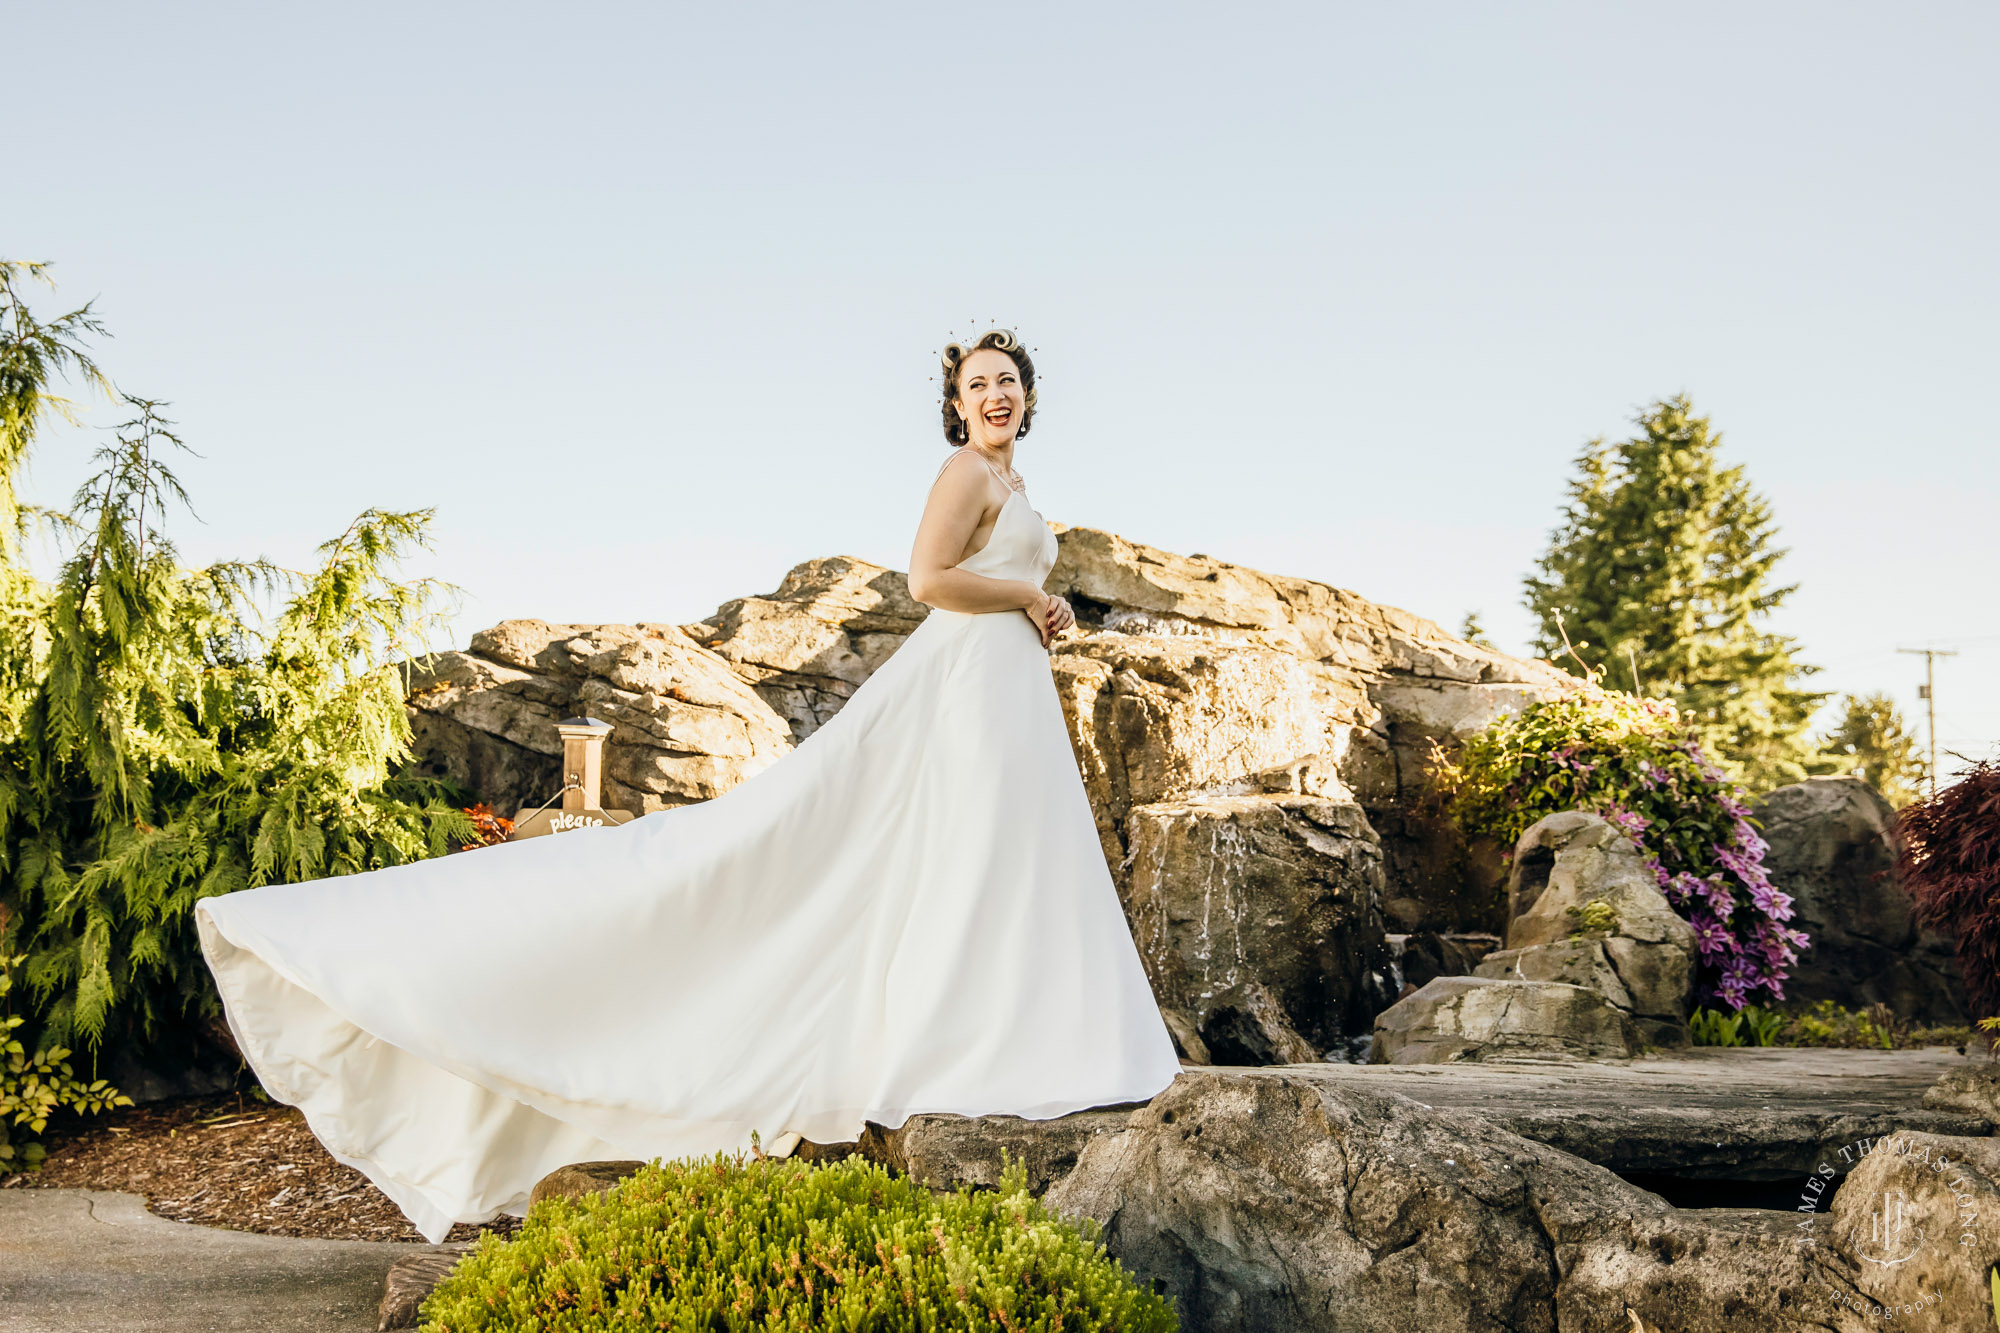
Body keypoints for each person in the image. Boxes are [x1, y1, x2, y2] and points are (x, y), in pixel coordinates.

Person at [194, 329, 1182, 1243]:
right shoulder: (963, 469)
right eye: (977, 384)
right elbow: (926, 579)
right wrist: (1024, 593)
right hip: (964, 684)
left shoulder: (1013, 482)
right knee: (945, 852)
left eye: (1007, 381)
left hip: (1004, 684)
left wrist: (1035, 611)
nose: (994, 395)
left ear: (1029, 396)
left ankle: (1018, 1037)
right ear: (955, 405)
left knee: (1004, 859)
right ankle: (959, 1047)